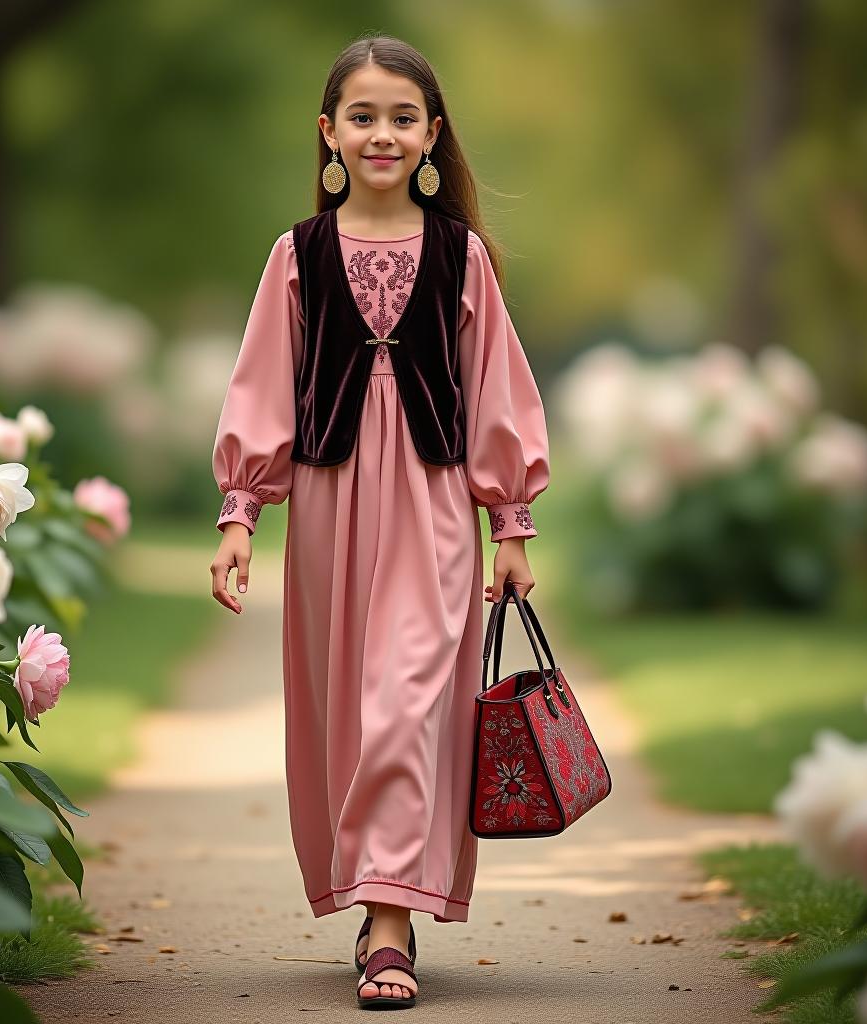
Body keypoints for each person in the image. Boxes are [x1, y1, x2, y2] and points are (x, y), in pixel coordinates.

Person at [209, 33, 550, 1010]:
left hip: (435, 505)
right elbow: (263, 386)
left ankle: (391, 923)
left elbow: (495, 393)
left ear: (433, 133)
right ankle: (368, 891)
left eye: (403, 116)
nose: (383, 133)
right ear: (328, 132)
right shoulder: (299, 255)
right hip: (328, 509)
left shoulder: (460, 256)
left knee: (408, 698)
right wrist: (241, 512)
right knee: (350, 709)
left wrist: (510, 524)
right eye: (363, 115)